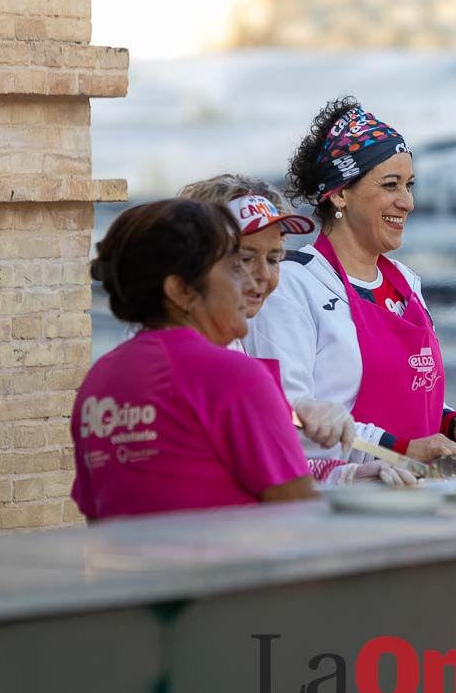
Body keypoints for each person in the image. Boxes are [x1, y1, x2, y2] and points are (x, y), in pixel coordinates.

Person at [246, 98, 456, 465]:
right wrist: (401, 451)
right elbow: (284, 417)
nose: (407, 202)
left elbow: (411, 392)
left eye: (409, 185)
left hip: (414, 495)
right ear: (341, 193)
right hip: (338, 506)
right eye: (391, 185)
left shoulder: (406, 284)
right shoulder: (292, 285)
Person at [70, 199, 317, 520]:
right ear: (181, 290)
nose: (251, 282)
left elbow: (98, 516)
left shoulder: (99, 380)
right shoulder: (234, 376)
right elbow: (302, 515)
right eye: (234, 266)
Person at [178, 173, 416, 487]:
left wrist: (344, 475)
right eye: (245, 259)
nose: (261, 276)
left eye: (274, 258)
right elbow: (254, 477)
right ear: (192, 263)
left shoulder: (224, 347)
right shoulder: (182, 361)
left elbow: (267, 464)